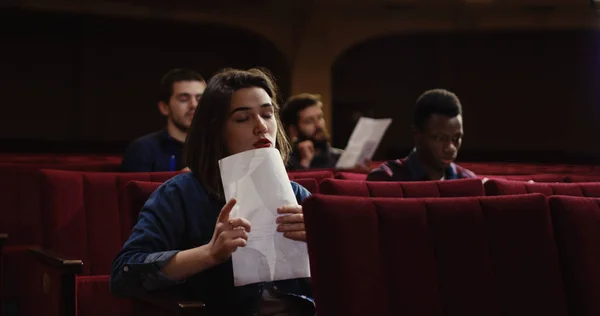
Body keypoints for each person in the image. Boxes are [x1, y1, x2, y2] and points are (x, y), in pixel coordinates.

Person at [111, 68, 314, 316]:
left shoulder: (298, 195)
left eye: (267, 114)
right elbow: (124, 274)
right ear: (216, 129)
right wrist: (208, 254)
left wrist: (321, 245)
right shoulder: (179, 194)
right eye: (243, 119)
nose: (262, 127)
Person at [367, 89, 475, 181]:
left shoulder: (468, 181)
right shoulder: (386, 178)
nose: (450, 148)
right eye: (440, 138)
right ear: (417, 135)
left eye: (456, 138)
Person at [120, 69, 206, 172]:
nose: (194, 105)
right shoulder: (143, 149)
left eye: (200, 99)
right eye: (184, 99)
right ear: (164, 107)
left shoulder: (218, 147)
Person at [280, 93, 369, 171]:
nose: (319, 125)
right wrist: (305, 163)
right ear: (293, 130)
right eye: (309, 121)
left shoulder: (341, 158)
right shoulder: (285, 163)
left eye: (319, 117)